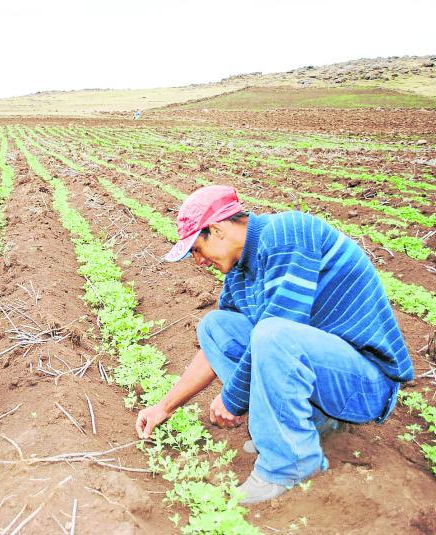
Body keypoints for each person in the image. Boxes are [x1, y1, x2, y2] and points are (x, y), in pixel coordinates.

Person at [135, 185, 413, 504]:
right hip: (324, 375)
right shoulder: (238, 278)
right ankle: (305, 423)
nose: (198, 261)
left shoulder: (288, 233)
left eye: (196, 249)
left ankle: (288, 460)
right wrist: (164, 407)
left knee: (272, 333)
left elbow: (281, 330)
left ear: (216, 230)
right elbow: (214, 352)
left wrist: (231, 398)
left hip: (365, 385)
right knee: (214, 327)